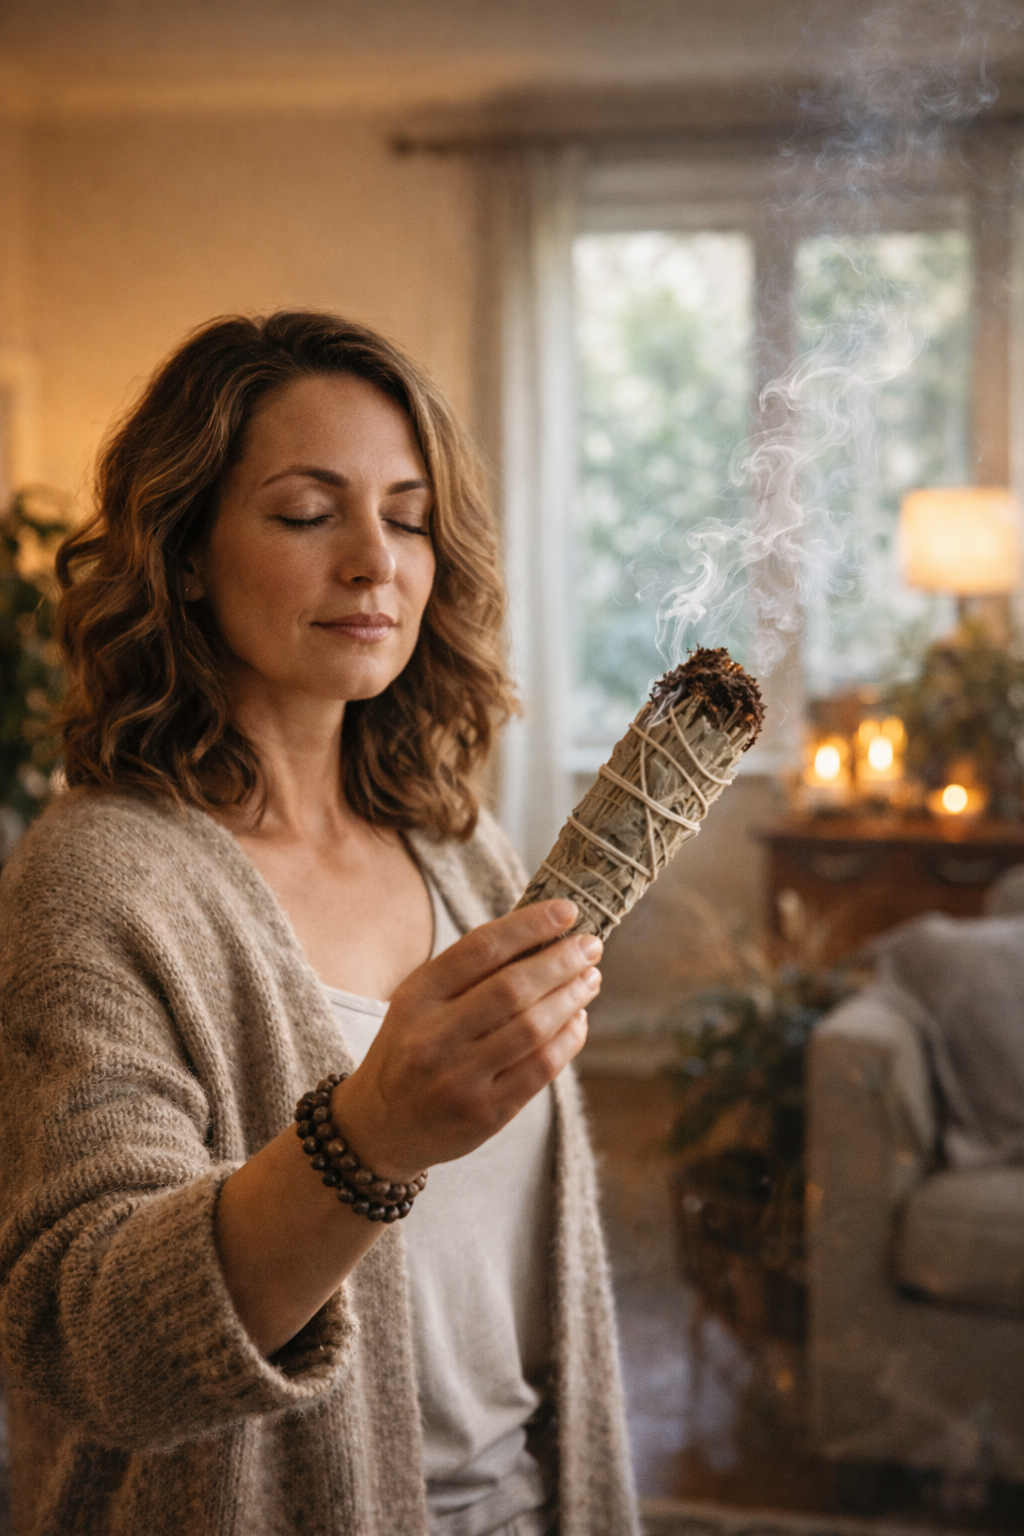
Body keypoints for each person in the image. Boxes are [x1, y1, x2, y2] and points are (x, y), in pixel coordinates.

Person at [0, 312, 638, 1536]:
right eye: (307, 513)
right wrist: (371, 1134)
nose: (374, 562)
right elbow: (86, 1344)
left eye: (406, 517)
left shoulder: (459, 847)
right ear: (185, 553)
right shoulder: (95, 882)